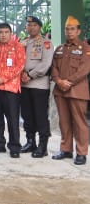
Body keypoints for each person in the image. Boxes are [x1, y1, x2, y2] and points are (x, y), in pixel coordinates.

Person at [50, 15, 90, 165]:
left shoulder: (85, 48)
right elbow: (53, 68)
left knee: (79, 123)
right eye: (67, 29)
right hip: (61, 91)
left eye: (72, 29)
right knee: (64, 122)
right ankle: (66, 149)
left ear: (78, 31)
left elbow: (84, 69)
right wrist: (59, 81)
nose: (69, 32)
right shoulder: (60, 49)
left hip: (77, 91)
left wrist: (68, 82)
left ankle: (81, 153)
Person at [0, 21, 25, 157]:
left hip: (10, 89)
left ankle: (14, 147)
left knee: (13, 119)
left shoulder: (18, 47)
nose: (3, 35)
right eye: (0, 32)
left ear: (11, 34)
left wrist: (2, 78)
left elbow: (19, 66)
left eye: (6, 32)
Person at [20, 14, 53, 157]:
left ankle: (43, 146)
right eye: (29, 25)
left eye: (34, 25)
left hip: (39, 85)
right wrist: (21, 74)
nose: (31, 27)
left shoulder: (46, 43)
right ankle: (30, 141)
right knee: (27, 116)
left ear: (39, 27)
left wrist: (30, 74)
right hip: (24, 85)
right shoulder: (23, 42)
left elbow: (46, 64)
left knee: (40, 116)